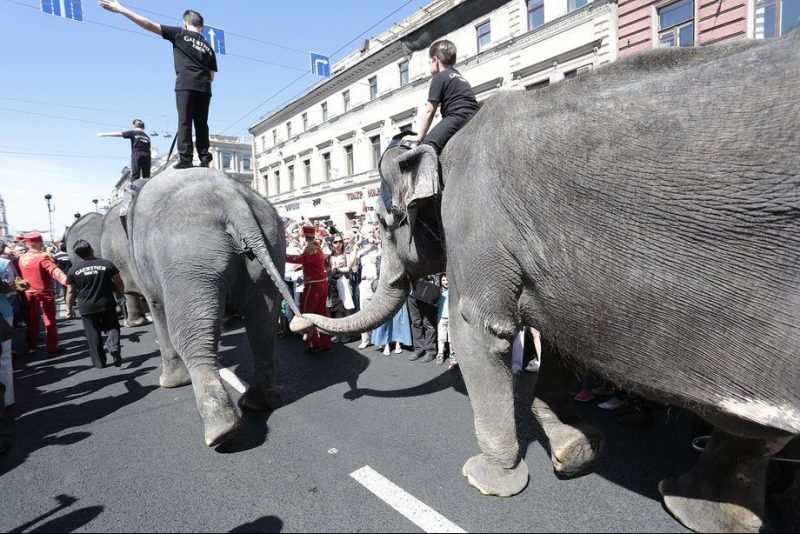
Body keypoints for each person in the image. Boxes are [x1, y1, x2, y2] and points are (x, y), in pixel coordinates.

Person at [99, 1, 217, 169]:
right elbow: (212, 75)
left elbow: (149, 25)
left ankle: (186, 158)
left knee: (184, 122)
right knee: (201, 123)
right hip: (205, 87)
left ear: (184, 23)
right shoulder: (208, 46)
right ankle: (205, 158)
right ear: (202, 27)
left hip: (185, 83)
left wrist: (121, 9)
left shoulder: (179, 33)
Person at [406, 40, 480, 154]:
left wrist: (419, 136)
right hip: (475, 114)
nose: (430, 64)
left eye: (430, 62)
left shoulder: (439, 77)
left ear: (435, 60)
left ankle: (430, 172)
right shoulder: (460, 76)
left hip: (457, 117)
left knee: (426, 148)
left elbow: (429, 111)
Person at [65, 240, 125, 369]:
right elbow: (118, 281)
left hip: (86, 307)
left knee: (93, 334)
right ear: (91, 250)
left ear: (78, 255)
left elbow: (70, 291)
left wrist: (69, 308)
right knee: (112, 327)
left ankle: (100, 362)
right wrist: (121, 294)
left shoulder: (73, 270)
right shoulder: (106, 264)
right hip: (106, 303)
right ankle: (114, 346)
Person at [17, 232, 68, 355]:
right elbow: (53, 270)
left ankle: (32, 344)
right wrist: (65, 279)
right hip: (44, 291)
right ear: (39, 243)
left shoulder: (21, 258)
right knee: (49, 320)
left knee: (32, 320)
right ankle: (52, 347)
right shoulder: (42, 257)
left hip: (28, 292)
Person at [286, 226, 332, 353]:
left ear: (305, 236)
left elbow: (300, 259)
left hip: (313, 285)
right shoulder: (316, 247)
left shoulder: (310, 248)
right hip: (320, 284)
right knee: (321, 315)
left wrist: (282, 256)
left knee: (307, 314)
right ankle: (325, 342)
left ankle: (313, 344)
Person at [0, 259, 16, 408]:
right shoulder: (4, 263)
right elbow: (10, 291)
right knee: (4, 359)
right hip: (3, 314)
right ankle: (7, 400)